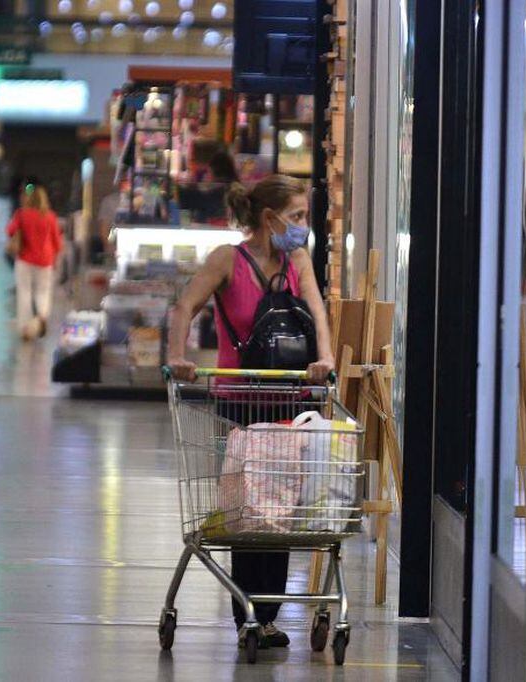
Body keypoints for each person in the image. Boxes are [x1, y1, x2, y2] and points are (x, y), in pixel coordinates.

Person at [166, 175, 335, 649]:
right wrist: (179, 356)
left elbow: (318, 311)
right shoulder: (228, 260)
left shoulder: (297, 260)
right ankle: (248, 615)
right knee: (247, 512)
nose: (302, 227)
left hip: (287, 402)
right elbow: (185, 306)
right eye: (297, 217)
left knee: (277, 511)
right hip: (239, 403)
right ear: (269, 218)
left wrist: (325, 359)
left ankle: (266, 616)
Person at [6, 184, 63, 341]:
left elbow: (10, 231)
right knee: (43, 292)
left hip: (24, 259)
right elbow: (57, 242)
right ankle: (41, 318)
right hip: (45, 260)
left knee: (24, 292)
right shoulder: (50, 216)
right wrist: (56, 260)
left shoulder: (22, 214)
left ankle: (25, 328)